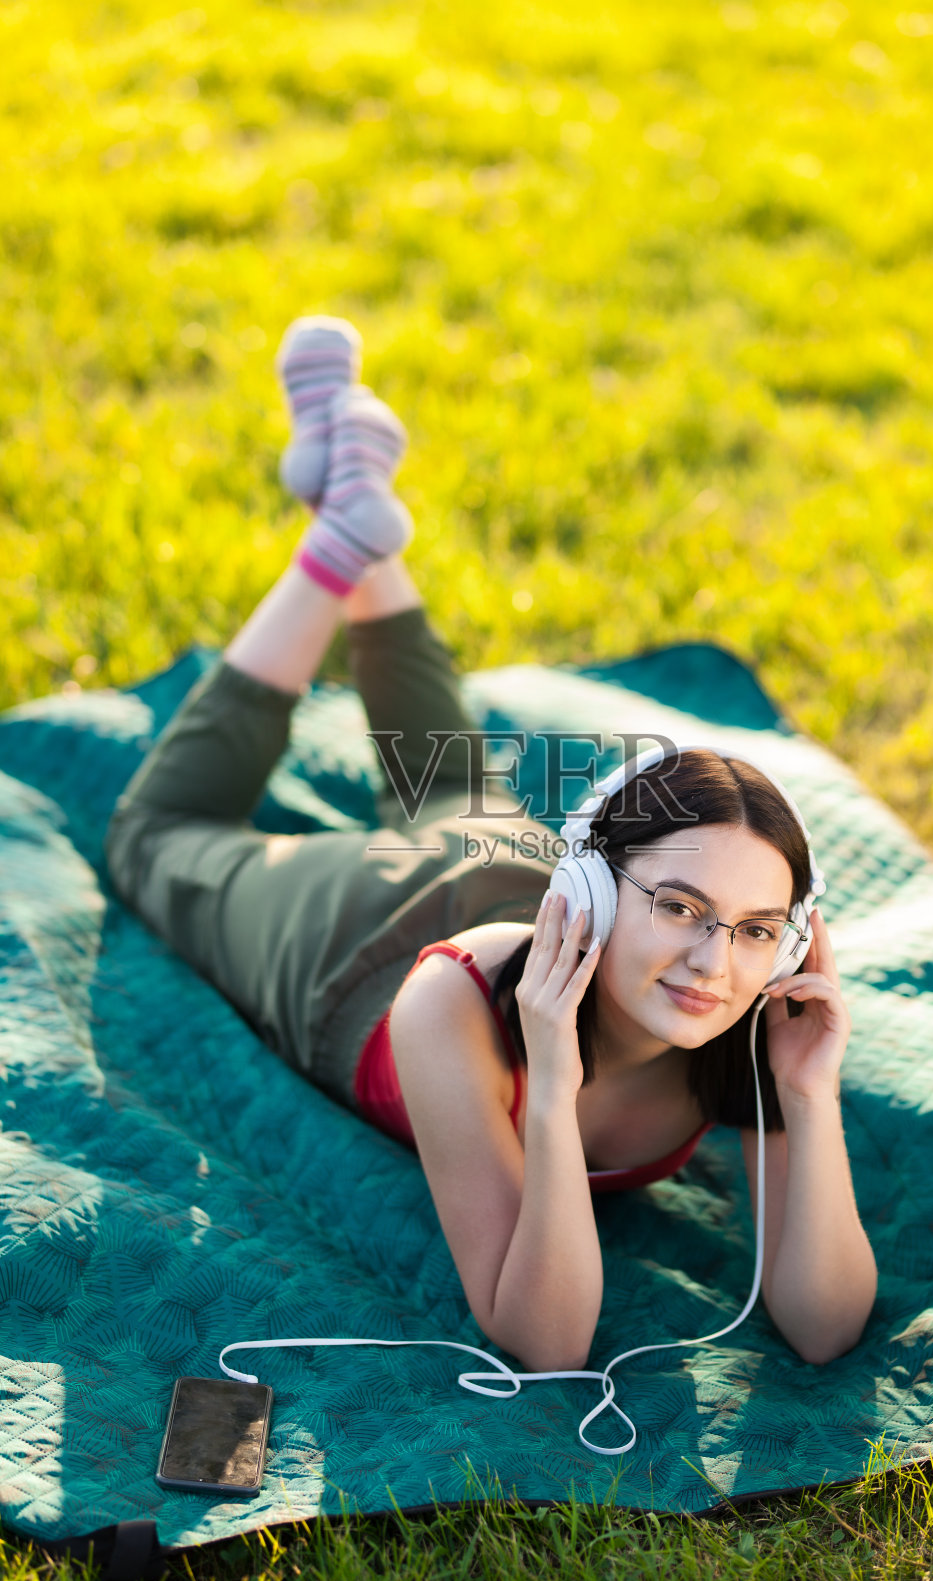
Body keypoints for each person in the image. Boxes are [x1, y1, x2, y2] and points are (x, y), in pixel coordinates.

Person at [105, 317, 877, 1381]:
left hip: (507, 864)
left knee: (450, 781)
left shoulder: (748, 1022)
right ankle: (333, 552)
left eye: (753, 930)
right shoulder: (446, 1008)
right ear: (597, 890)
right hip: (361, 942)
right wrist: (550, 1086)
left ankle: (356, 511)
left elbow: (824, 1325)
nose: (714, 964)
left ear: (792, 942)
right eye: (682, 908)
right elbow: (540, 1337)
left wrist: (807, 1093)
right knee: (155, 837)